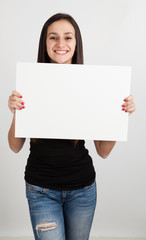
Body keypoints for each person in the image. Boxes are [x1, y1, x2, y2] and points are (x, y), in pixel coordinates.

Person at [8, 13, 136, 240]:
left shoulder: (92, 85)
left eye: (68, 37)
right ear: (44, 43)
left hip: (82, 189)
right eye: (53, 37)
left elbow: (103, 151)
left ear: (76, 44)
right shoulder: (31, 82)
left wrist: (118, 116)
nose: (60, 44)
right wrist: (17, 112)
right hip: (41, 189)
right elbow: (15, 147)